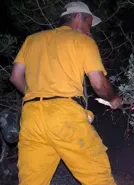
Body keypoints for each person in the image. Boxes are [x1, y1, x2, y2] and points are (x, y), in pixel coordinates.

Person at [9, 1, 122, 185]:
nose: (89, 30)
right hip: (65, 118)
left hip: (31, 118)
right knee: (98, 178)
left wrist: (36, 95)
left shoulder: (33, 39)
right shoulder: (83, 41)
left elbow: (15, 77)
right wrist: (114, 98)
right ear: (78, 17)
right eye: (88, 23)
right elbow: (99, 84)